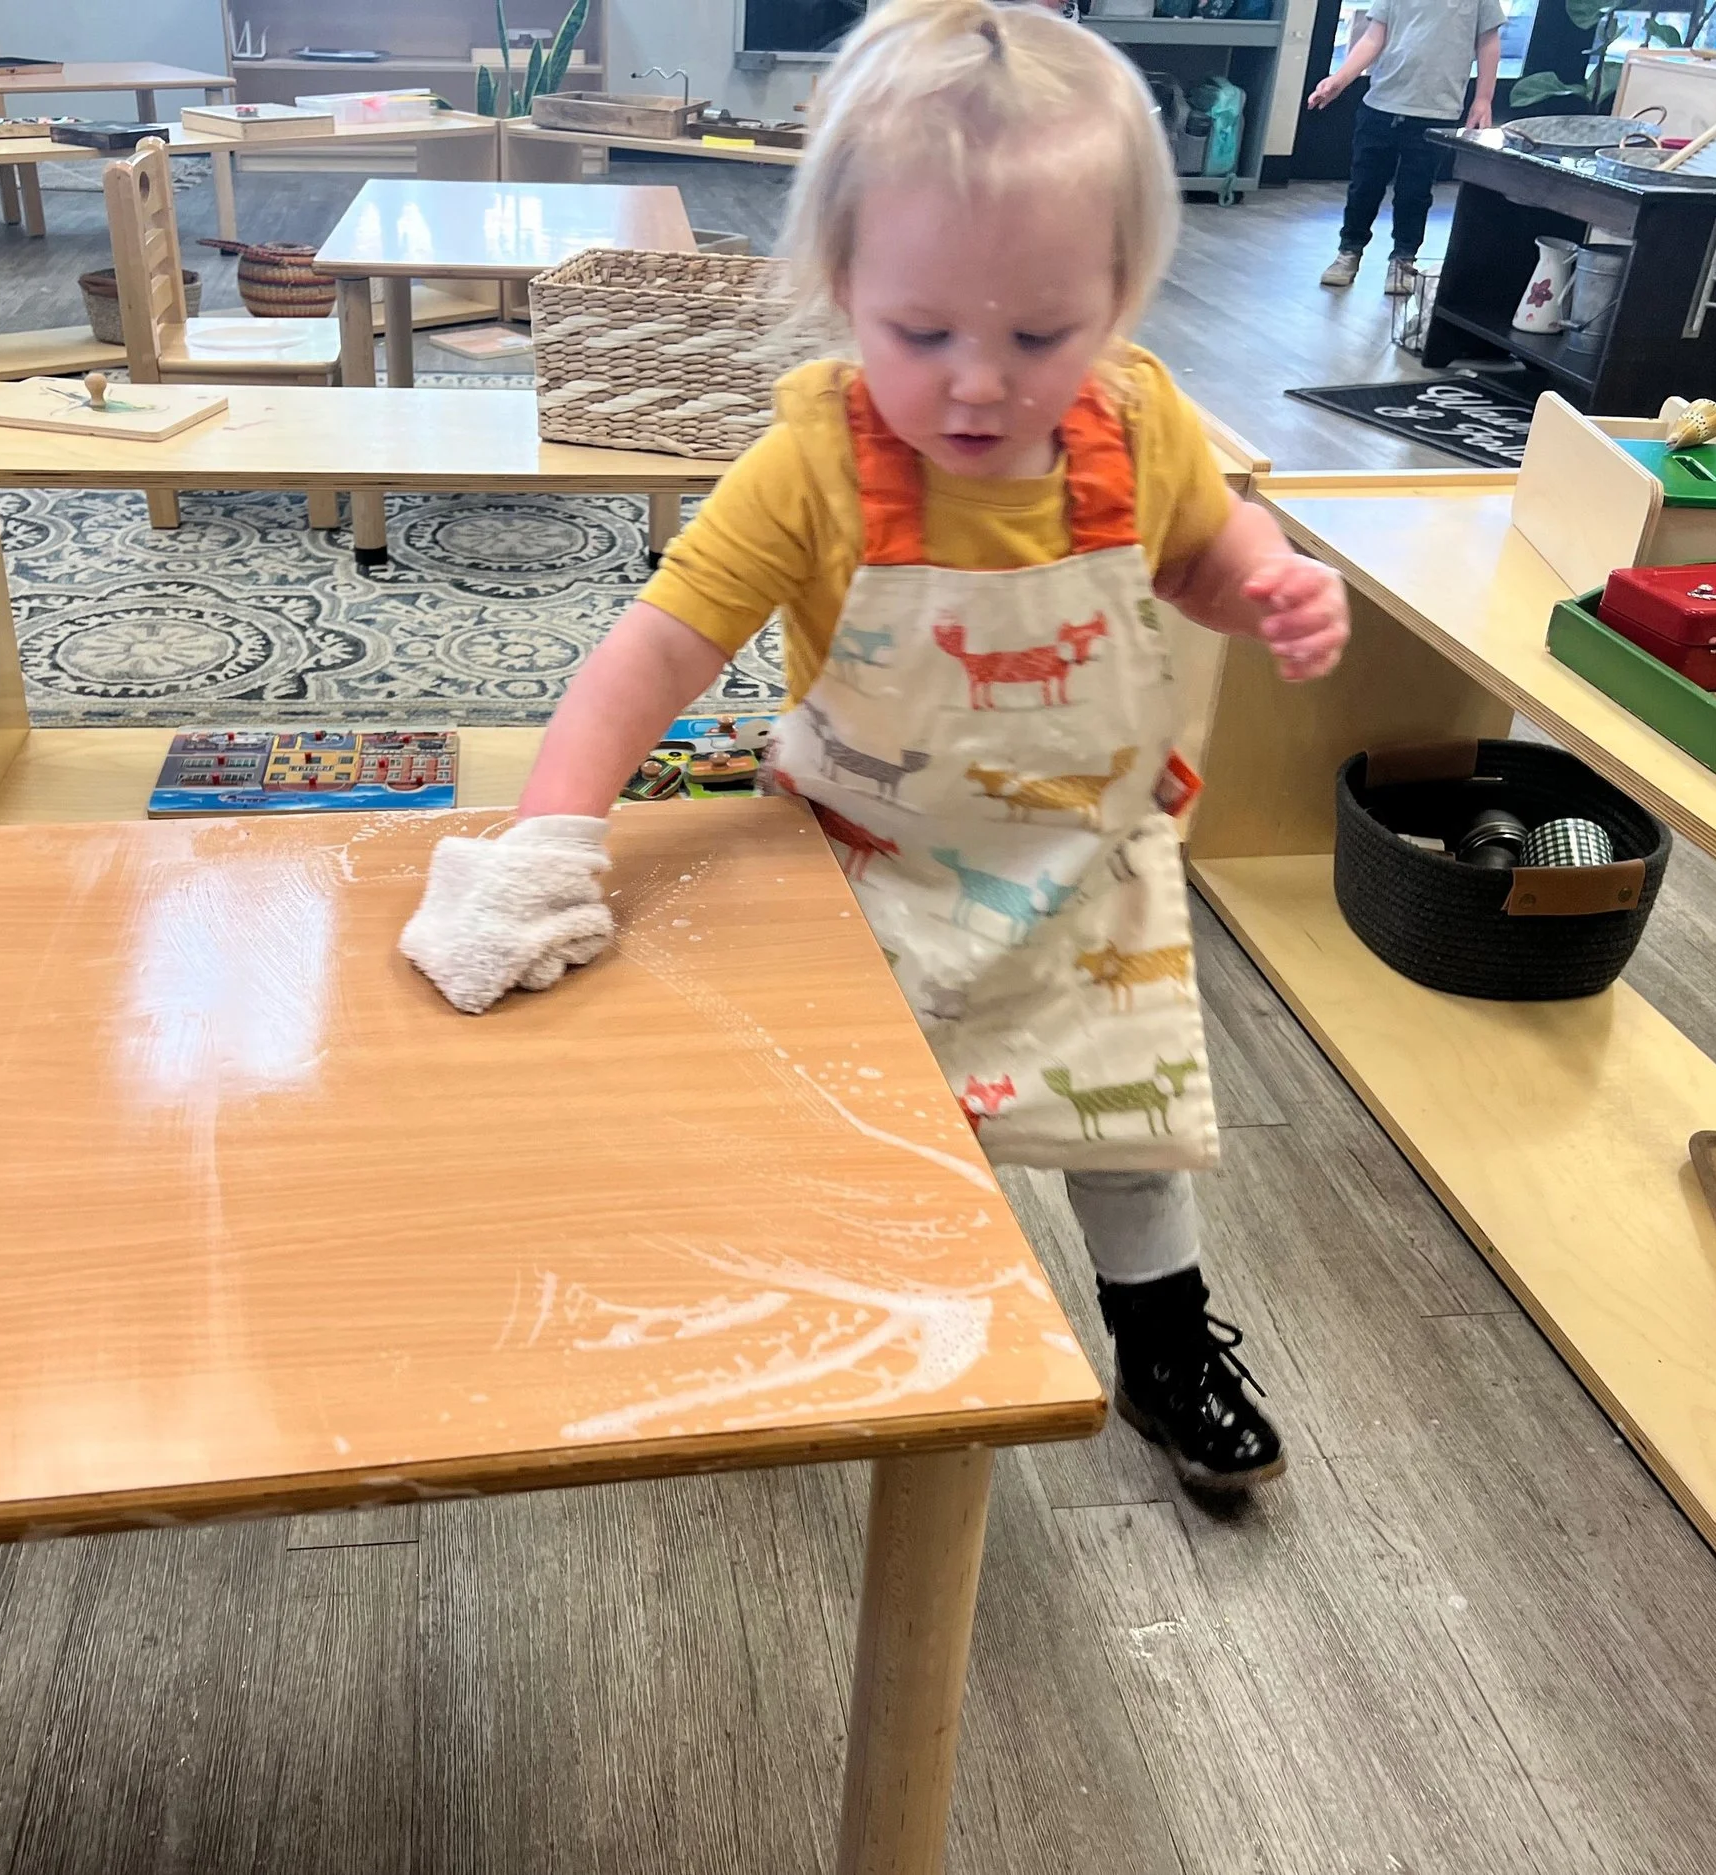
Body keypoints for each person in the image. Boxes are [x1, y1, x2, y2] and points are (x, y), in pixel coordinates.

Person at [399, 0, 1350, 1491]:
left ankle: (1162, 1343)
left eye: (1040, 336)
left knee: (1128, 1119)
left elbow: (1200, 559)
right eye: (923, 334)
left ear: (1121, 300)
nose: (979, 381)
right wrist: (553, 834)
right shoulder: (813, 464)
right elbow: (659, 648)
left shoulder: (1138, 427)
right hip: (866, 877)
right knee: (875, 1131)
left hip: (1082, 876)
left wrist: (1271, 583)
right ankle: (864, 1317)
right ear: (845, 287)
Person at [1308, 0, 1505, 296]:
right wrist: (1339, 79)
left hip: (1436, 111)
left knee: (1415, 192)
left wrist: (1483, 99)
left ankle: (1403, 259)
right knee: (1364, 186)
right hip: (1380, 105)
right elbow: (1374, 38)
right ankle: (1349, 251)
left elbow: (1488, 42)